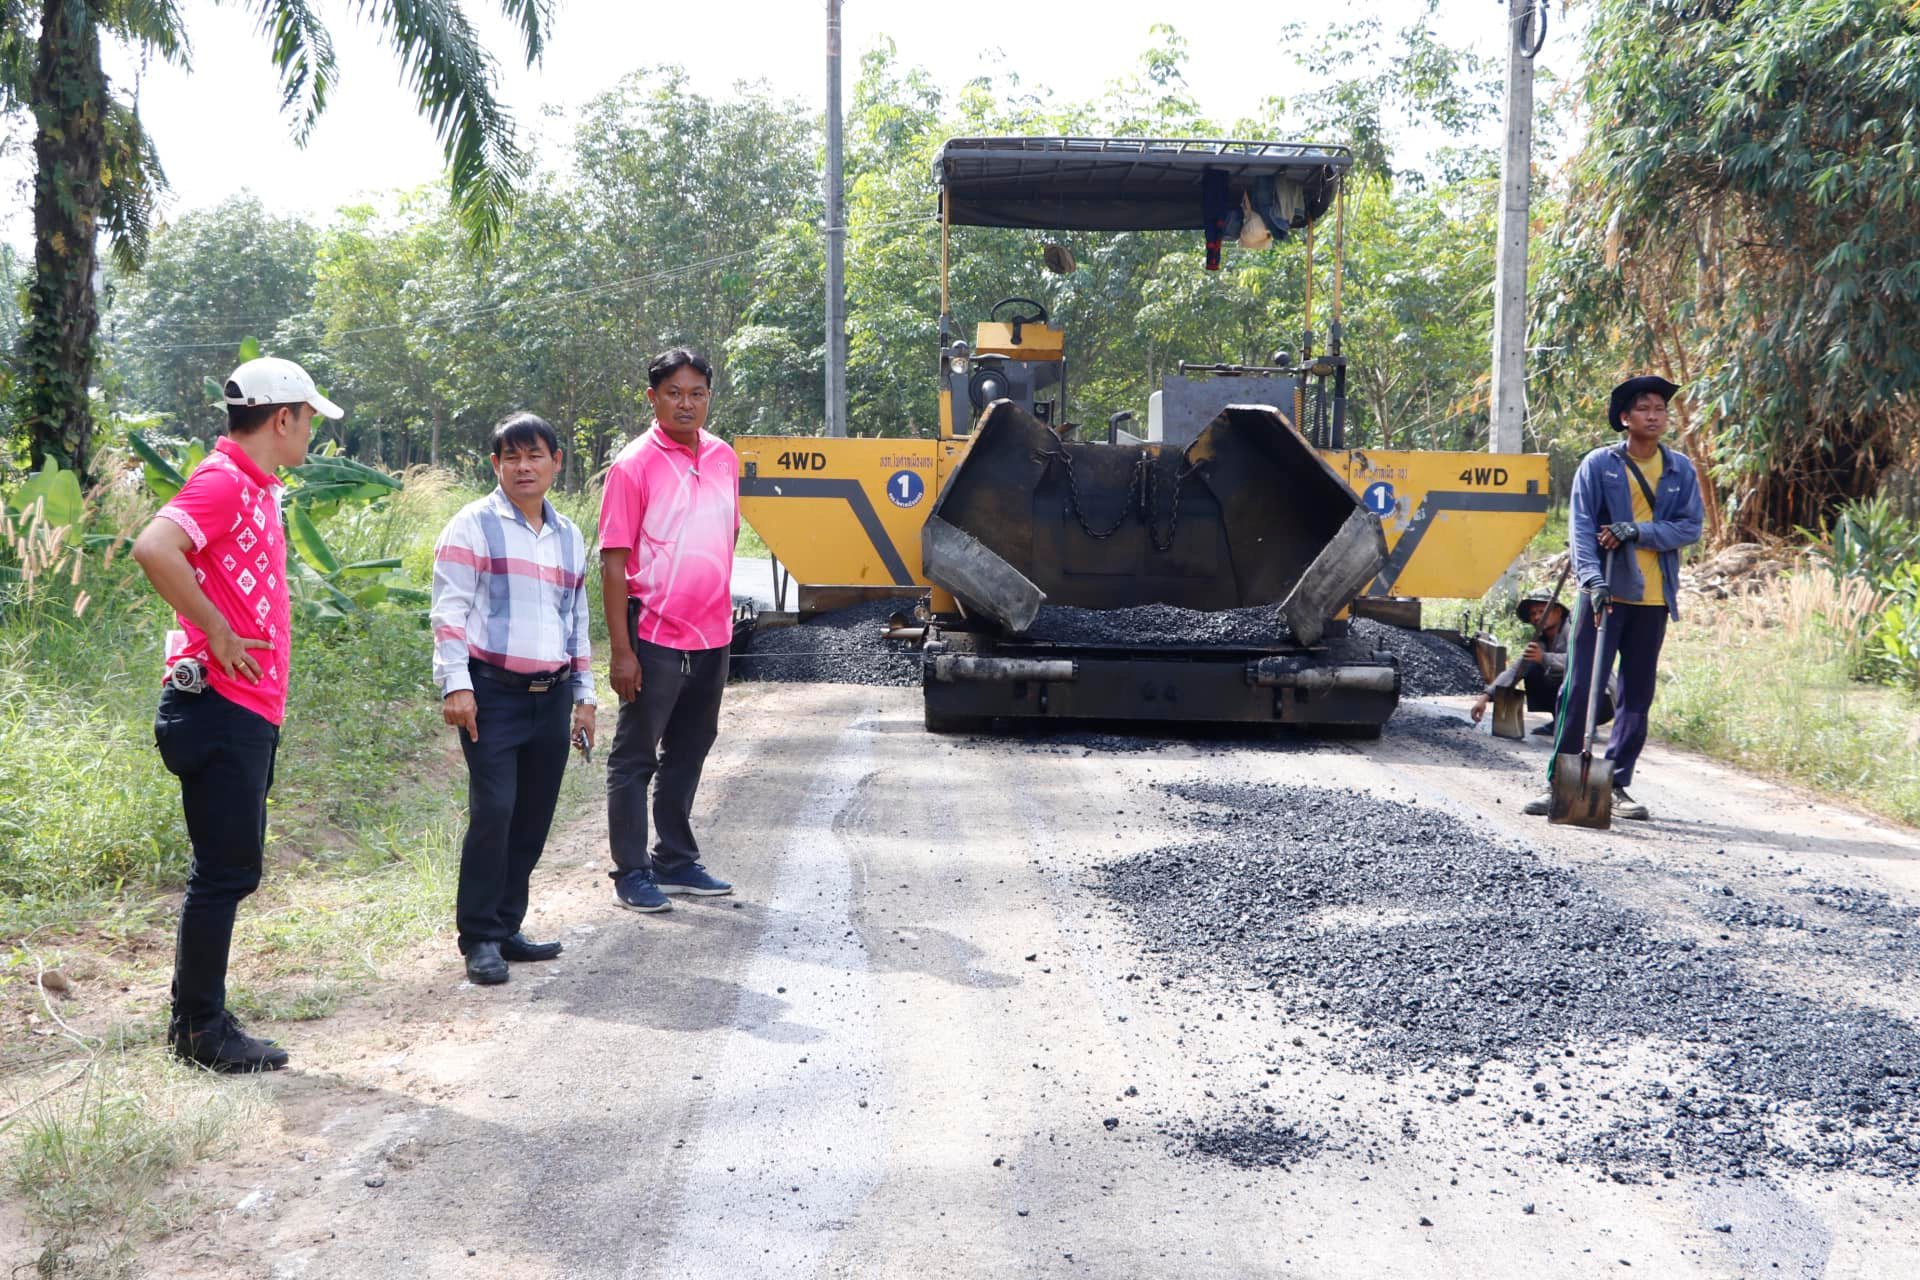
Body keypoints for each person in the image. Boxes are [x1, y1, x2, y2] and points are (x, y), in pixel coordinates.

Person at [132, 356, 341, 1072]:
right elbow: (153, 546)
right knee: (224, 872)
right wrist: (216, 629)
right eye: (308, 417)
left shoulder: (256, 486)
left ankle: (201, 1015)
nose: (310, 430)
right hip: (220, 706)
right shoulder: (223, 481)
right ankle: (198, 1031)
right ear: (282, 418)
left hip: (240, 707)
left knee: (229, 868)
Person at [431, 414, 597, 985]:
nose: (523, 467)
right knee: (495, 809)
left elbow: (576, 617)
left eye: (535, 456)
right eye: (511, 457)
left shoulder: (569, 535)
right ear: (495, 464)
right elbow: (449, 612)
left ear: (556, 462)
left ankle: (507, 926)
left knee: (531, 816)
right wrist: (456, 684)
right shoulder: (472, 525)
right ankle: (478, 936)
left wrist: (585, 695)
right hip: (492, 694)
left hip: (550, 697)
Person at [1524, 375, 1704, 821]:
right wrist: (1592, 581)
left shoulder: (1680, 469)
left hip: (1654, 598)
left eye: (1660, 408)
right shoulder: (1598, 465)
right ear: (1625, 418)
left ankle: (1617, 782)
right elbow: (1581, 529)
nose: (1654, 416)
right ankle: (1559, 782)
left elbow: (1690, 528)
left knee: (1637, 693)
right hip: (1603, 594)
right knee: (1581, 687)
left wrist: (1638, 531)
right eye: (1644, 408)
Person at [598, 348, 740, 911]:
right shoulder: (633, 465)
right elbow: (612, 562)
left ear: (709, 397)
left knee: (690, 749)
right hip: (653, 636)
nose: (686, 403)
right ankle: (631, 873)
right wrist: (620, 651)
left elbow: (726, 536)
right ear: (652, 397)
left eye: (697, 393)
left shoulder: (726, 457)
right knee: (634, 759)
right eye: (674, 393)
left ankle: (676, 860)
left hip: (713, 636)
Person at [1470, 593, 1614, 737]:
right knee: (1532, 669)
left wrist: (1544, 658)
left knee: (1568, 674)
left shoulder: (1575, 629)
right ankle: (1560, 720)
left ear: (1558, 612)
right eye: (1533, 613)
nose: (1537, 617)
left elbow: (1583, 661)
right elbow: (1515, 671)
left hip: (1601, 699)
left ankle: (1585, 723)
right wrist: (1486, 696)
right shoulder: (1540, 640)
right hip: (1573, 696)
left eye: (1542, 611)